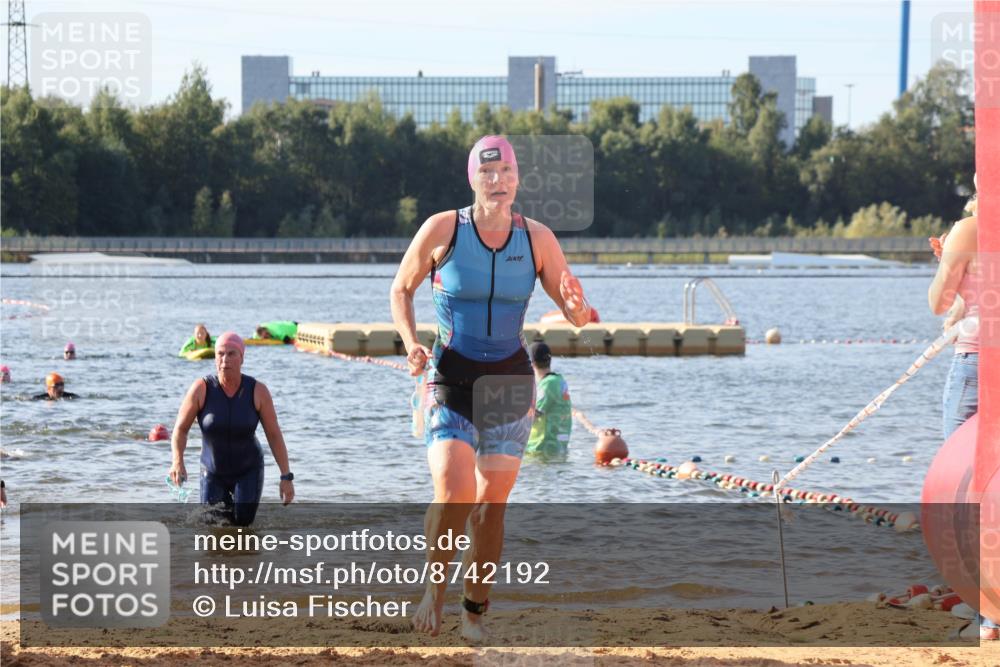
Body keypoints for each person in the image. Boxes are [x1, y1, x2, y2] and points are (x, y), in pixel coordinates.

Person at [390, 135, 593, 640]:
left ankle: (475, 608)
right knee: (454, 492)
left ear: (518, 177)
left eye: (505, 172)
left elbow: (577, 315)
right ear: (472, 179)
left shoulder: (538, 238)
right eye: (487, 174)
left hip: (509, 379)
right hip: (451, 375)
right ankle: (433, 592)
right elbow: (401, 288)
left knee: (489, 507)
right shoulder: (443, 229)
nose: (497, 182)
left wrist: (577, 308)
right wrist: (410, 340)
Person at [928, 183, 996, 641]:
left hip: (977, 363)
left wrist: (948, 261)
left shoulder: (970, 229)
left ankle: (989, 616)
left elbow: (939, 303)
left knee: (967, 495)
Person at [168, 332, 294, 526]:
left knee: (242, 525)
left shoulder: (258, 391)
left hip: (248, 470)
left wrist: (286, 476)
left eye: (231, 353)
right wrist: (177, 461)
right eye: (220, 354)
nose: (225, 359)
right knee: (212, 526)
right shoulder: (201, 389)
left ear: (242, 357)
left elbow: (274, 435)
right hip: (212, 470)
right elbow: (180, 429)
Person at [524, 342, 573, 460]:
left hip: (542, 448)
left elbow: (534, 415)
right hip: (557, 446)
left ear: (531, 363)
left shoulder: (548, 384)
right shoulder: (559, 380)